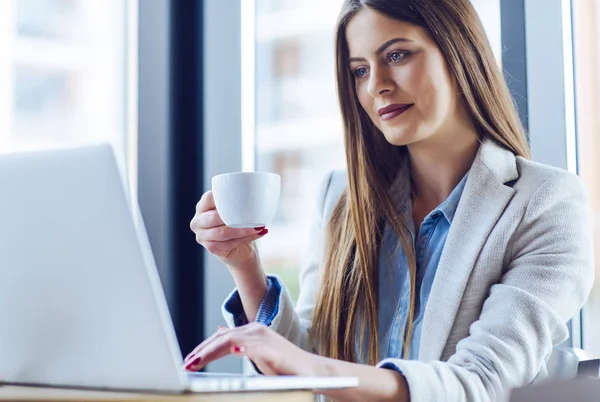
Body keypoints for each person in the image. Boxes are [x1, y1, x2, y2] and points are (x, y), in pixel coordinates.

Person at [186, 0, 594, 401]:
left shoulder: (545, 204)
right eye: (359, 70)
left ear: (459, 51)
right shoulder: (339, 198)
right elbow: (310, 360)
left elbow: (485, 383)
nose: (376, 85)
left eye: (397, 55)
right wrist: (245, 263)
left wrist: (319, 372)